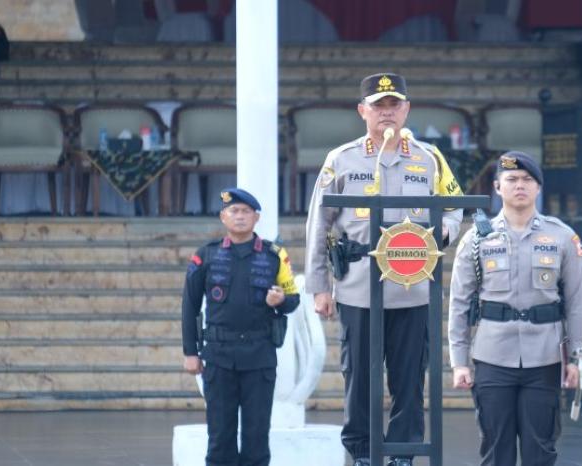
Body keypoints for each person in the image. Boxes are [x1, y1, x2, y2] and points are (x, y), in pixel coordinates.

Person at [304, 73, 464, 466]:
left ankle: (403, 452)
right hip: (358, 284)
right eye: (379, 106)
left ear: (407, 109)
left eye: (395, 105)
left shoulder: (429, 158)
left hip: (412, 287)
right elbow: (318, 223)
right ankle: (361, 451)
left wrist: (443, 231)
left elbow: (455, 203)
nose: (387, 113)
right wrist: (319, 286)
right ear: (363, 112)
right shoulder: (341, 158)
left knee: (409, 378)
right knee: (359, 377)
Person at [448, 151, 582, 466]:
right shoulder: (476, 239)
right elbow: (459, 303)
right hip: (492, 355)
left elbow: (578, 303)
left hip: (545, 356)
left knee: (541, 447)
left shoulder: (562, 237)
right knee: (496, 448)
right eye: (511, 179)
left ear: (538, 188)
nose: (519, 186)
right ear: (497, 187)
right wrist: (459, 362)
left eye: (527, 180)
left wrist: (577, 359)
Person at [182, 187, 300, 466]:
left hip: (259, 357)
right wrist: (190, 352)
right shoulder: (205, 255)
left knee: (256, 438)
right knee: (220, 438)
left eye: (246, 212)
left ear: (256, 218)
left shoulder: (275, 256)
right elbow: (189, 304)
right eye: (233, 211)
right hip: (219, 357)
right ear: (223, 217)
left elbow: (293, 299)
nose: (239, 216)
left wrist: (281, 300)